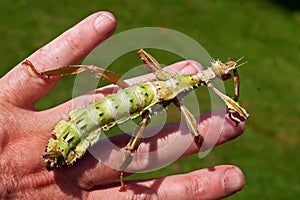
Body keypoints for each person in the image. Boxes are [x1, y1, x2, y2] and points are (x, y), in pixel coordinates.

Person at [0, 11, 245, 199]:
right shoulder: (189, 87)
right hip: (101, 116)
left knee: (97, 76)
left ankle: (120, 169)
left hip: (125, 102)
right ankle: (42, 74)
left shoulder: (183, 82)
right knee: (94, 71)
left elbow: (144, 55)